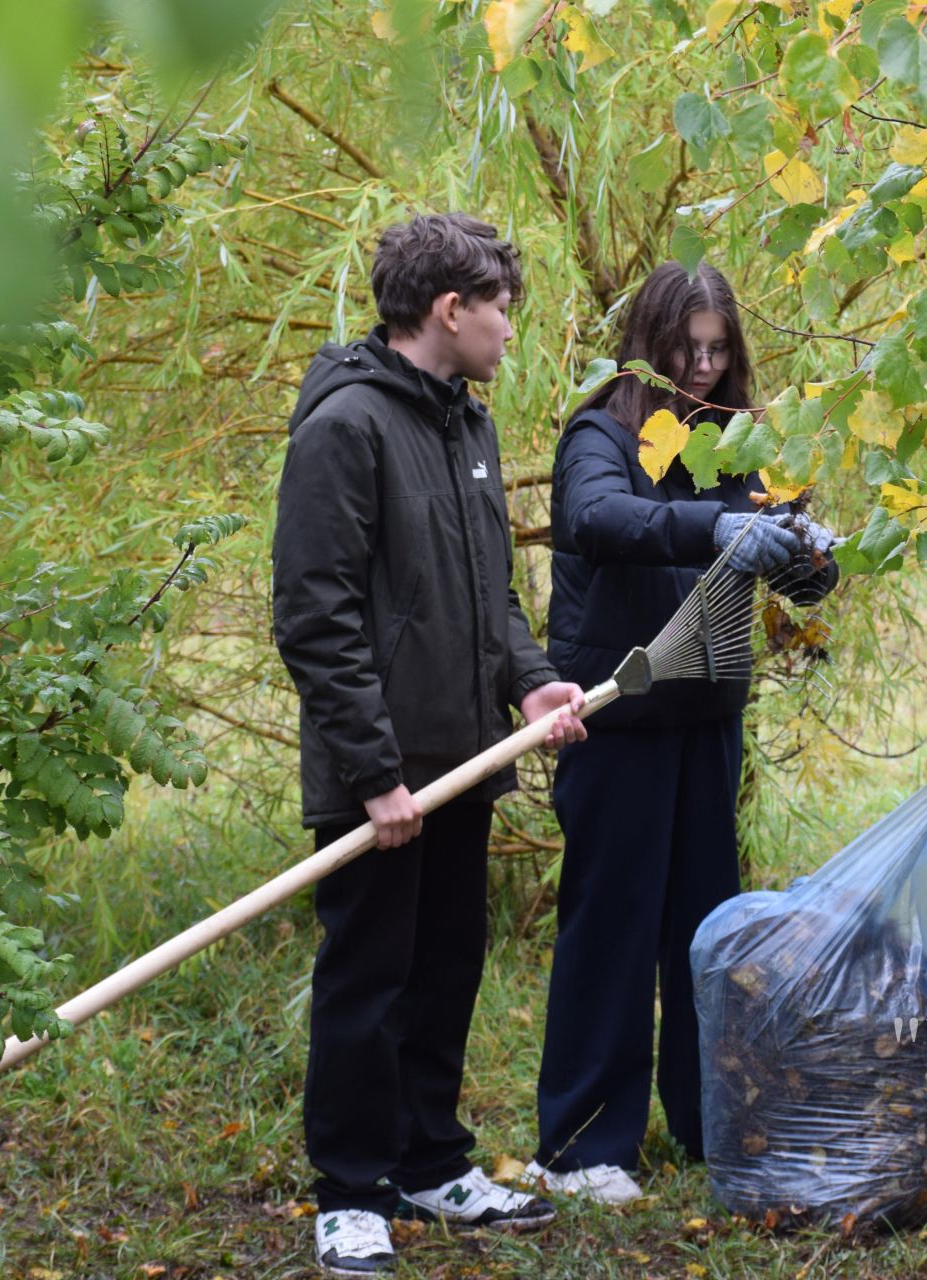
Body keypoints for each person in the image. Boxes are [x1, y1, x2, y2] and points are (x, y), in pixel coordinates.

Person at [272, 213, 587, 1277]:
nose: (509, 329)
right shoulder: (346, 426)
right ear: (449, 309)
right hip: (382, 778)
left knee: (447, 963)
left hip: (466, 759)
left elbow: (486, 592)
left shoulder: (468, 425)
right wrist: (374, 774)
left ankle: (429, 1160)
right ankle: (351, 1190)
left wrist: (531, 677)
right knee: (369, 981)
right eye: (500, 308)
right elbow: (317, 617)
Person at [528, 261, 836, 1203]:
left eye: (717, 351)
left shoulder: (735, 446)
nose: (701, 369)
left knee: (708, 936)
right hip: (617, 722)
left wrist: (811, 556)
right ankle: (583, 1147)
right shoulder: (601, 431)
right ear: (649, 347)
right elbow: (594, 517)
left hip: (706, 719)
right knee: (611, 929)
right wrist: (714, 529)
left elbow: (781, 563)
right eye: (684, 350)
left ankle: (713, 1128)